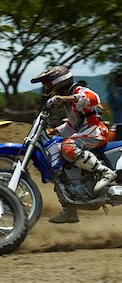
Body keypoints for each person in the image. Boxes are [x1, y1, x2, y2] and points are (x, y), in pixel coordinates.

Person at [31, 65, 117, 223]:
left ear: (59, 82)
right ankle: (70, 210)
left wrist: (64, 98)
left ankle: (105, 172)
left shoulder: (78, 90)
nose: (46, 88)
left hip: (95, 131)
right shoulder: (68, 103)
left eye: (48, 84)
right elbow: (71, 125)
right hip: (84, 133)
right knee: (58, 165)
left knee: (67, 147)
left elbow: (93, 98)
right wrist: (53, 132)